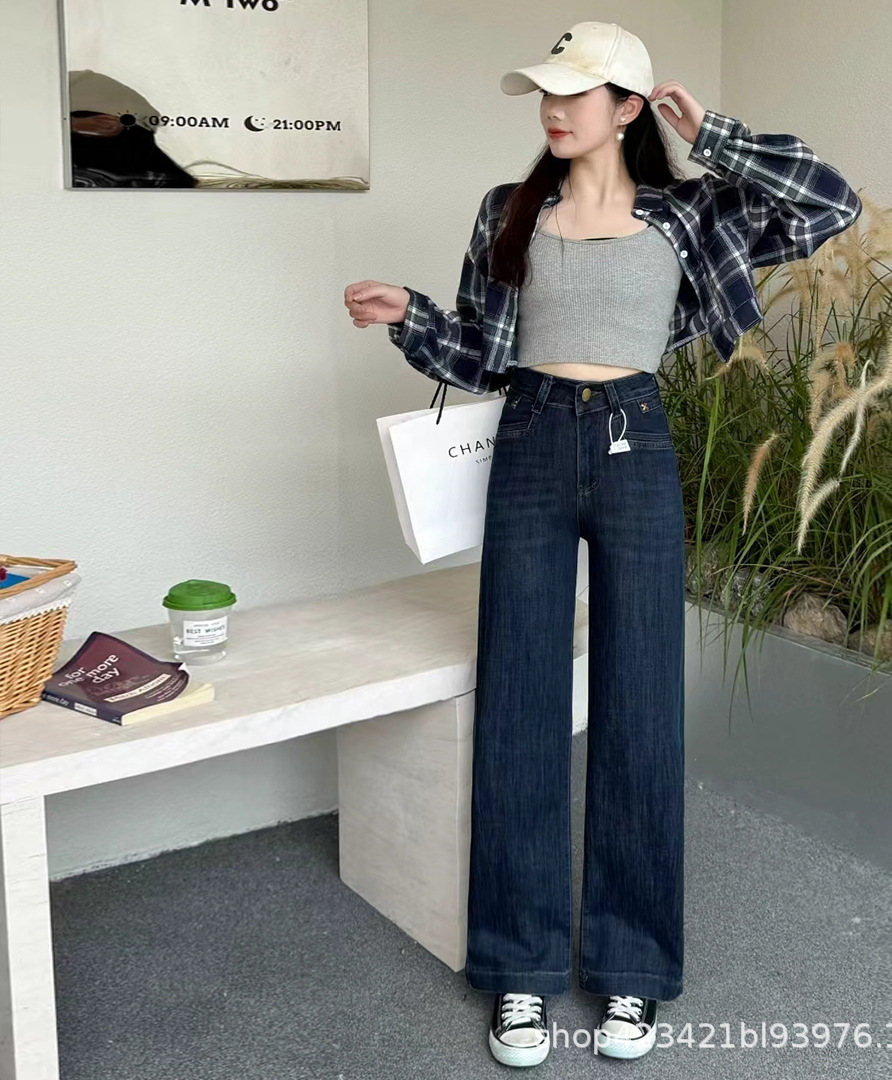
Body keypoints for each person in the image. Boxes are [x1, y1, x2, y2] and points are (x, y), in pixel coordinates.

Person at [344, 21, 861, 1067]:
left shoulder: (692, 212)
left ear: (628, 108)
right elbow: (483, 355)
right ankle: (521, 972)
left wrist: (719, 139)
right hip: (531, 441)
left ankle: (632, 970)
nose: (553, 109)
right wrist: (411, 316)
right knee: (520, 703)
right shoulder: (508, 209)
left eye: (576, 93)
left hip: (636, 442)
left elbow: (829, 205)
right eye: (546, 91)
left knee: (641, 704)